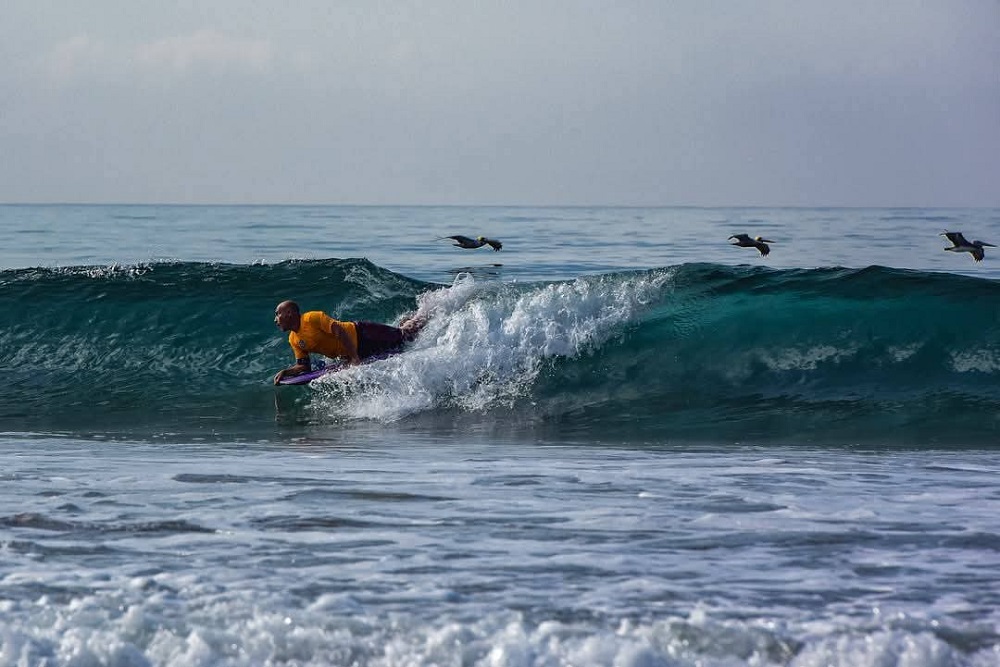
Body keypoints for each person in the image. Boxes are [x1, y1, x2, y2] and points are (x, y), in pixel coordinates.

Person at [272, 300, 425, 384]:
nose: (275, 320)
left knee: (405, 337)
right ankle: (406, 322)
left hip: (363, 334)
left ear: (289, 313)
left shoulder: (312, 318)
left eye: (277, 314)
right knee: (399, 347)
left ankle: (428, 310)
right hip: (355, 350)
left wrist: (354, 358)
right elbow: (304, 365)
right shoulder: (294, 339)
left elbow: (339, 331)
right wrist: (286, 372)